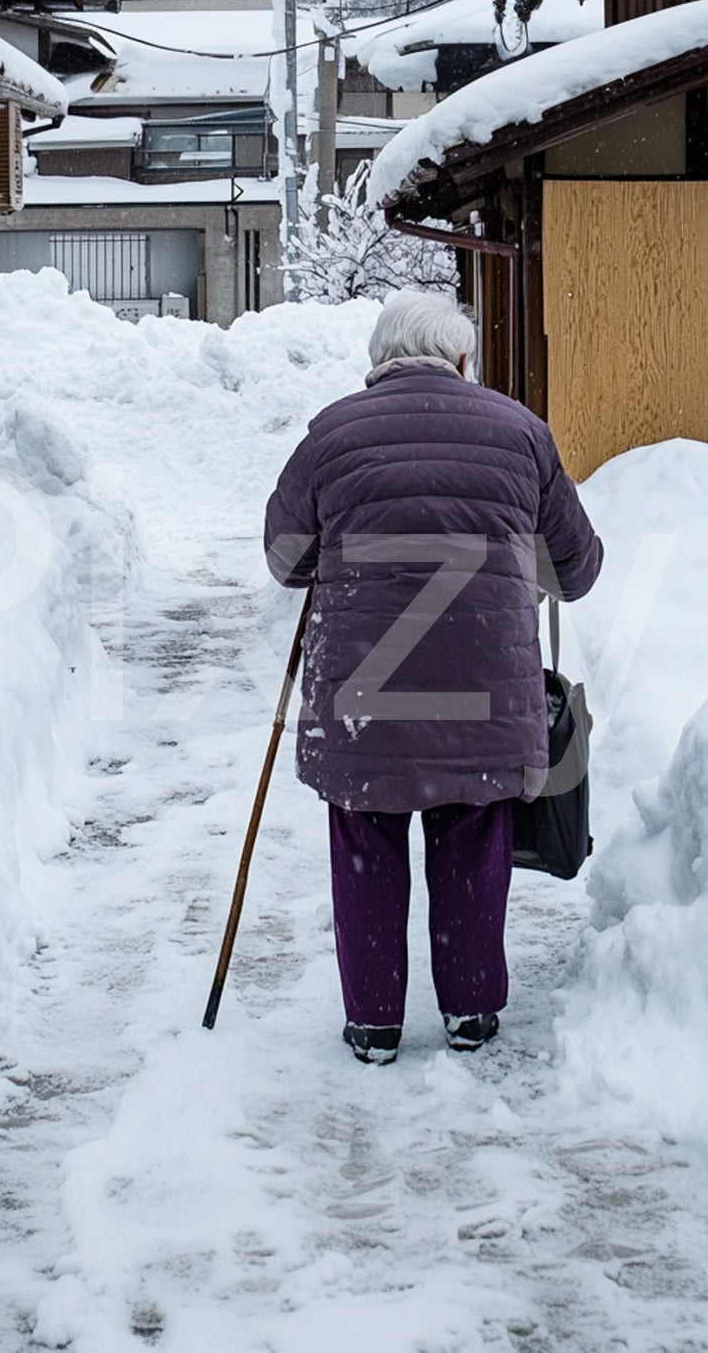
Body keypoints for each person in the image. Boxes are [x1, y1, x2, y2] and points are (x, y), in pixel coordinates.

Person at [263, 289, 603, 1065]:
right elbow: (576, 568)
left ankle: (375, 1021)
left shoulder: (332, 433)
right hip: (481, 691)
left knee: (364, 840)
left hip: (363, 698)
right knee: (472, 833)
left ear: (380, 360)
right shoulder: (520, 431)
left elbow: (284, 558)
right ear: (459, 360)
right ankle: (471, 1010)